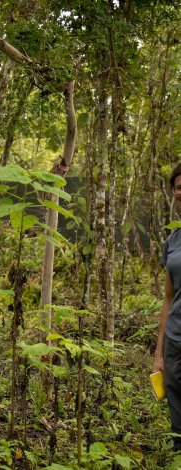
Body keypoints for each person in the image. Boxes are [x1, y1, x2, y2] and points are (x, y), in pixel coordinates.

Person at [154, 163, 181, 451]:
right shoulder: (173, 241)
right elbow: (168, 298)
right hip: (175, 340)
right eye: (178, 187)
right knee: (177, 411)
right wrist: (159, 352)